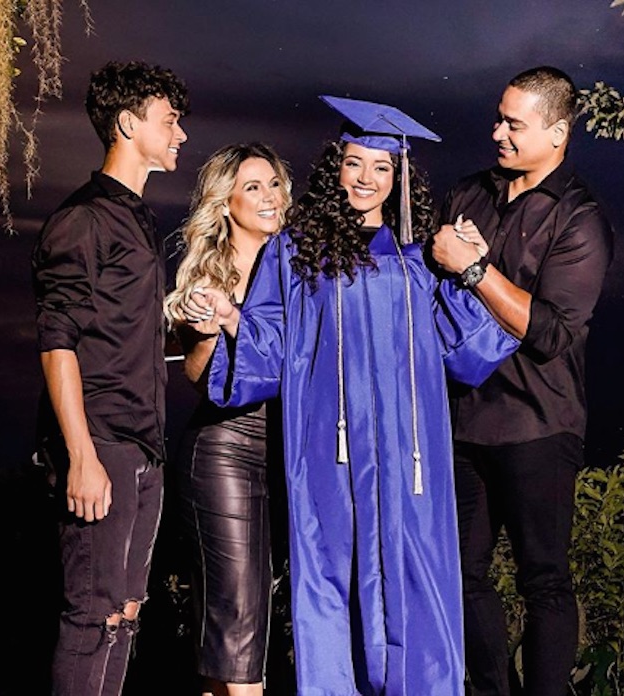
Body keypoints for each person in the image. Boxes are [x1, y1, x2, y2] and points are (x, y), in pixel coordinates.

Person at [185, 96, 519, 695]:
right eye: (354, 163)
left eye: (382, 167)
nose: (367, 178)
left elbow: (468, 346)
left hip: (409, 460)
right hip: (330, 455)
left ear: (399, 178)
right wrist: (231, 319)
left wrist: (471, 266)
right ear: (333, 169)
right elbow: (270, 345)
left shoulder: (422, 259)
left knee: (416, 576)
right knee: (332, 575)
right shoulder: (296, 252)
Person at [432, 66, 613, 696]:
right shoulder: (469, 193)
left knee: (544, 581)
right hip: (463, 420)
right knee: (460, 575)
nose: (497, 133)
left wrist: (475, 268)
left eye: (515, 124)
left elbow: (553, 333)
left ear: (557, 133)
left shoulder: (580, 216)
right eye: (498, 118)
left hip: (539, 423)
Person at [31, 60, 189, 696]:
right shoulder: (85, 218)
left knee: (123, 616)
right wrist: (81, 455)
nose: (181, 134)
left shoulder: (138, 218)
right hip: (101, 444)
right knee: (93, 615)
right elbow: (57, 342)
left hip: (144, 445)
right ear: (128, 123)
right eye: (170, 121)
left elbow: (129, 337)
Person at [163, 142, 292, 696]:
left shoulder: (301, 264)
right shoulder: (209, 277)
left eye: (275, 184)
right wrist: (208, 329)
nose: (269, 197)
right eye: (252, 187)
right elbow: (199, 378)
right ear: (225, 203)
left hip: (290, 453)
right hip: (227, 450)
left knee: (248, 621)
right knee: (238, 614)